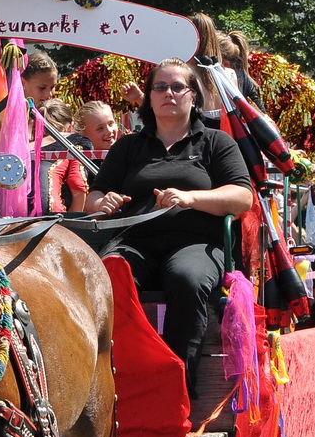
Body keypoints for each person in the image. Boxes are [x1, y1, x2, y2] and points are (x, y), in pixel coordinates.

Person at [88, 59, 253, 387]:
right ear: (148, 96)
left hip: (195, 243)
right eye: (160, 87)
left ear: (194, 96)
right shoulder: (128, 146)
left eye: (178, 86)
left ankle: (178, 385)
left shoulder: (216, 142)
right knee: (109, 273)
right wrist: (103, 202)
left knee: (187, 278)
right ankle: (118, 382)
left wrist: (191, 198)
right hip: (135, 241)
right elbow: (94, 197)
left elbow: (242, 196)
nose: (169, 93)